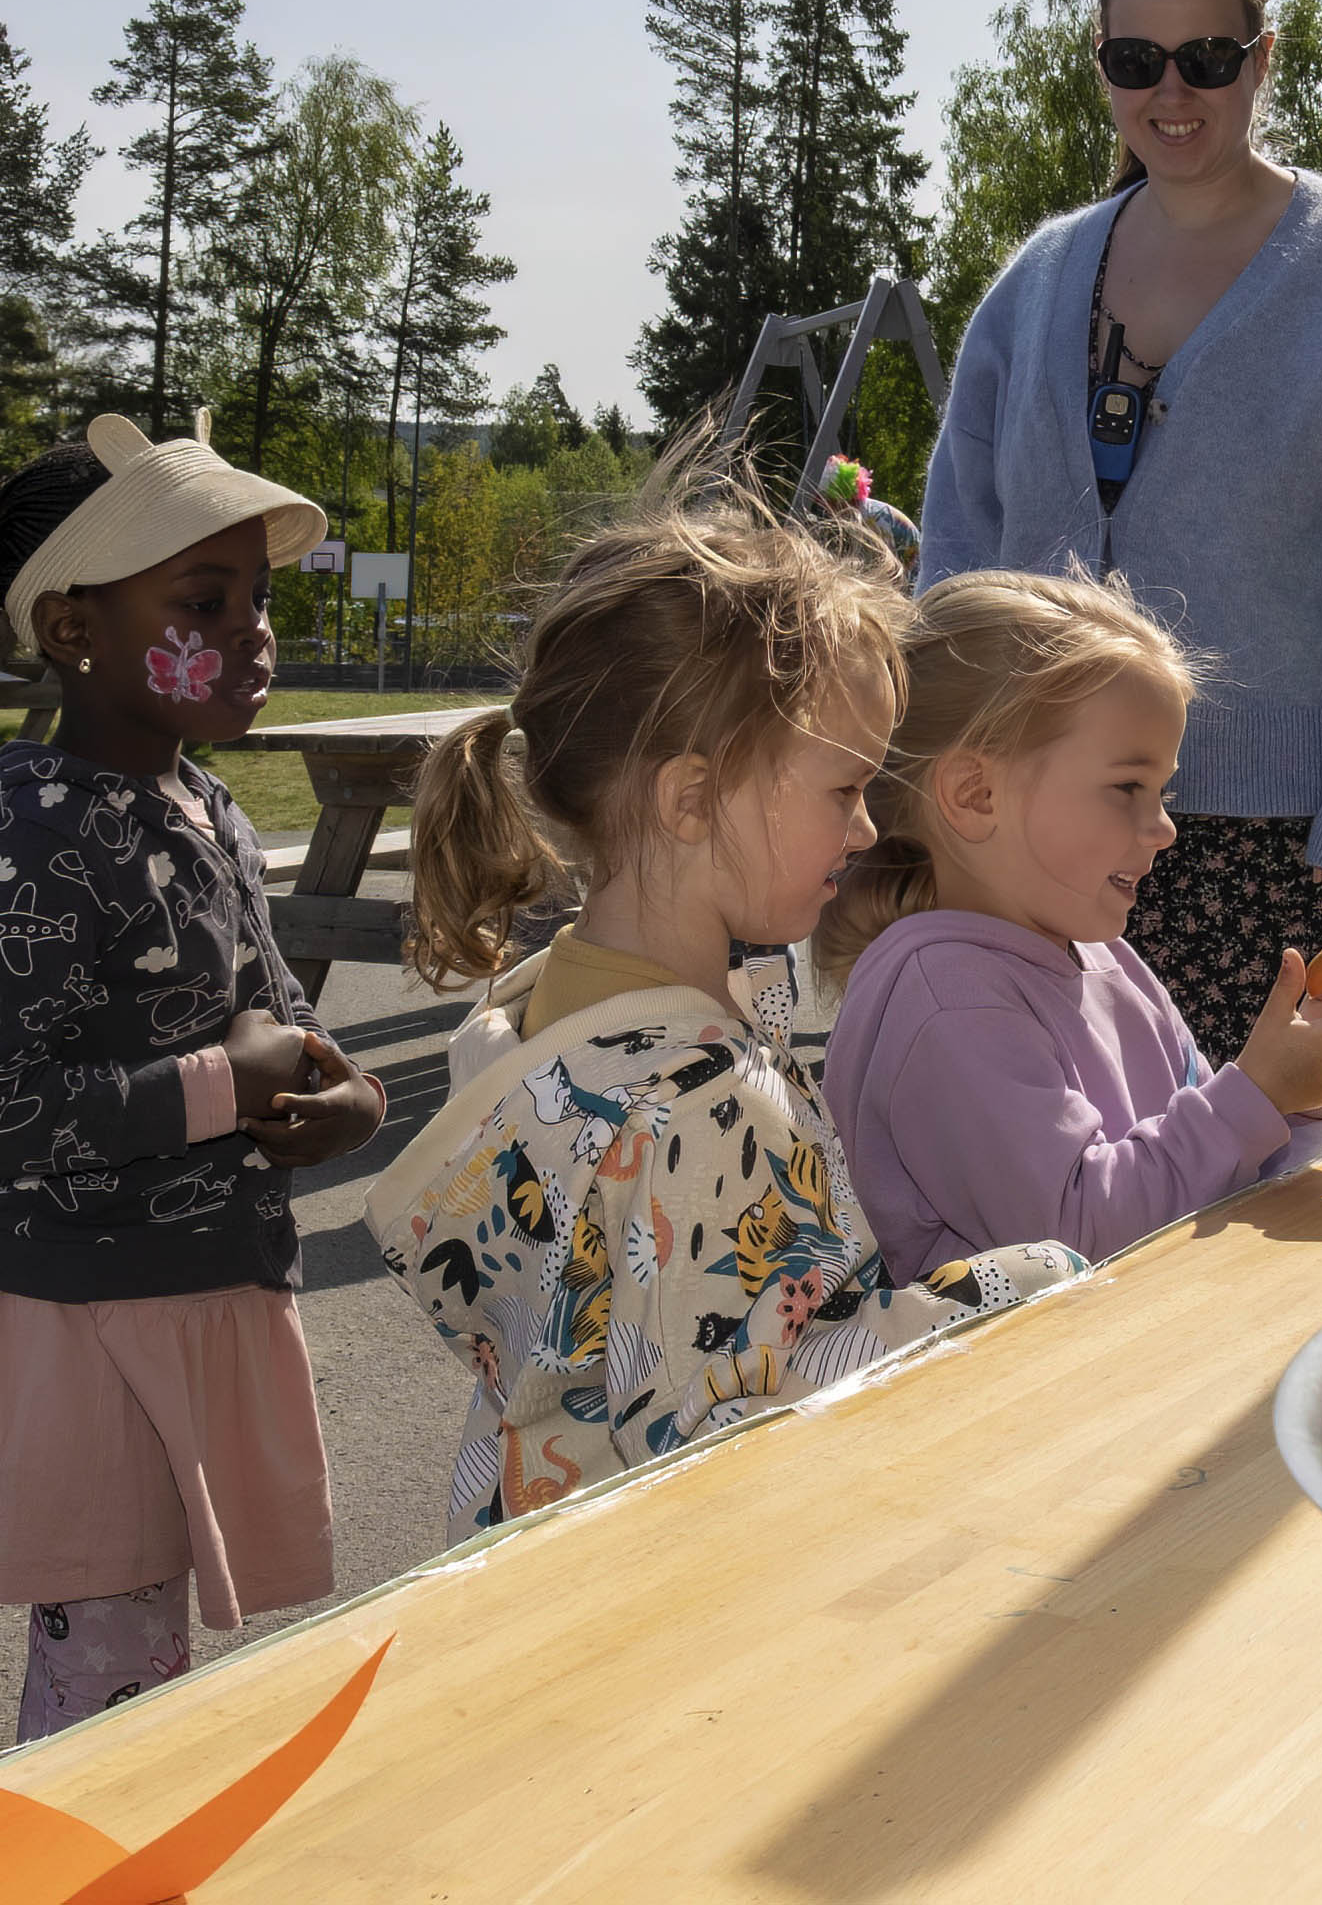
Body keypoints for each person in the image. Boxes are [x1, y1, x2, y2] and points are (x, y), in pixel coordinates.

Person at [366, 466, 1084, 1537]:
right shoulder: (700, 1098)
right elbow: (759, 1419)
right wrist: (1021, 1282)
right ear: (690, 797)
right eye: (843, 790)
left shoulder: (531, 1014)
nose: (862, 830)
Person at [919, 0, 1322, 1097]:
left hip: (1269, 858)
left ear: (1261, 60)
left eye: (1206, 59)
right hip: (1033, 841)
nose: (1171, 92)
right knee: (1065, 1202)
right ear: (1103, 68)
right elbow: (958, 563)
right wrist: (944, 778)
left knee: (1267, 1216)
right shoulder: (1034, 284)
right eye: (1136, 60)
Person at [0, 419, 385, 1740]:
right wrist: (231, 1085)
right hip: (84, 1321)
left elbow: (281, 1017)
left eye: (258, 599)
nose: (252, 631)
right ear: (71, 627)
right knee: (104, 1659)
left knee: (145, 1650)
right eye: (203, 601)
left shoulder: (208, 807)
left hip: (192, 1299)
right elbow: (18, 1106)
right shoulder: (37, 830)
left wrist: (350, 1104)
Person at [819, 573, 1322, 1274]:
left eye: (1163, 790)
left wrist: (1303, 1092)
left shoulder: (1107, 959)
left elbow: (1208, 1172)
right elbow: (1073, 1240)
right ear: (976, 794)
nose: (1163, 827)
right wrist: (1259, 1093)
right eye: (1128, 787)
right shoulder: (947, 997)